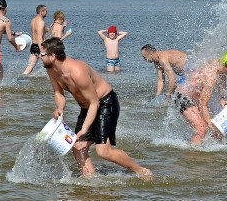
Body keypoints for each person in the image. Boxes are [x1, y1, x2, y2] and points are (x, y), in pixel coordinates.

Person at [40, 37, 151, 179]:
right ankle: (90, 180)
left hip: (105, 103)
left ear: (52, 56)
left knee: (103, 151)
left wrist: (85, 129)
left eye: (42, 54)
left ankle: (141, 170)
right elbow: (58, 92)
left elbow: (94, 103)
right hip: (88, 107)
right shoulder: (51, 70)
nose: (39, 57)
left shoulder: (77, 71)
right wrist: (60, 108)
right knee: (77, 147)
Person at [174, 50, 227, 145]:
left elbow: (222, 80)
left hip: (192, 98)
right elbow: (203, 104)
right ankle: (191, 155)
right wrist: (209, 122)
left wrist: (222, 98)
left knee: (215, 128)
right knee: (202, 129)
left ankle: (211, 149)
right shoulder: (211, 77)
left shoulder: (218, 63)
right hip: (183, 98)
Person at [22, 4, 49, 75]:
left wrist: (46, 29)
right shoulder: (41, 22)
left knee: (30, 66)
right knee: (49, 64)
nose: (47, 12)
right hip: (40, 46)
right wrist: (42, 50)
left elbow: (36, 31)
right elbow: (40, 37)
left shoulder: (33, 20)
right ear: (41, 12)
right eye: (46, 11)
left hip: (33, 46)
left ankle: (22, 78)